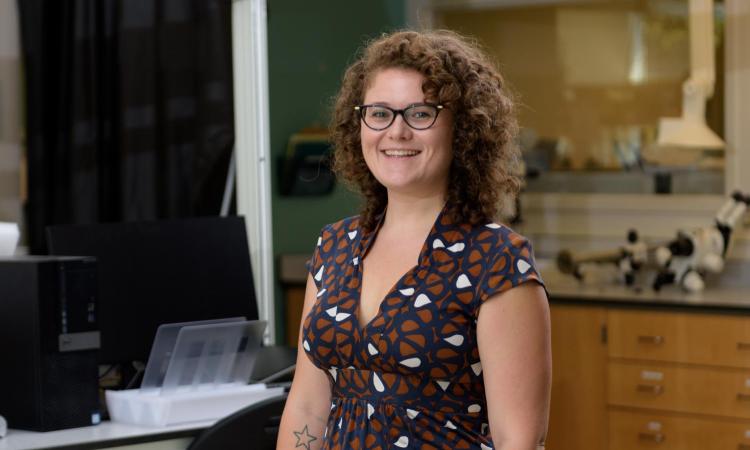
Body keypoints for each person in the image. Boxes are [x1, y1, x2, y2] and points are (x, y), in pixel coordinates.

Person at [278, 29, 550, 450]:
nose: (397, 132)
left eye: (420, 114)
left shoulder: (496, 261)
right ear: (360, 124)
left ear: (461, 129)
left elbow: (519, 441)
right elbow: (309, 408)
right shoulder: (334, 246)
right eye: (380, 113)